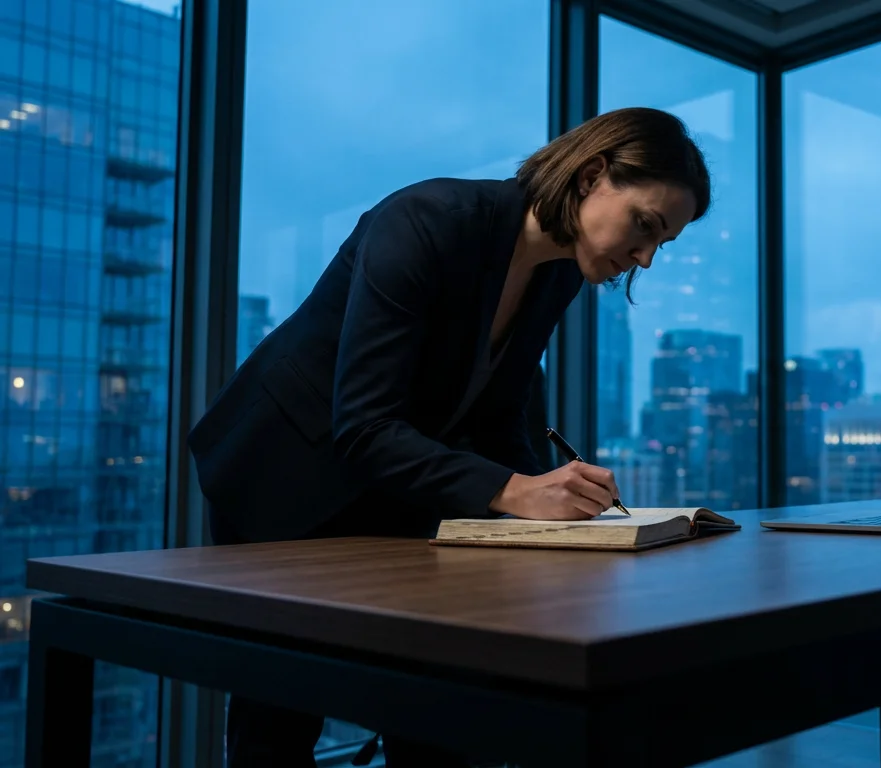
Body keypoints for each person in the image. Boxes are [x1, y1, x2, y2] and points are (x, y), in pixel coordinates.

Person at [187, 106, 710, 767]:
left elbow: (500, 416)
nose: (644, 257)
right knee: (281, 710)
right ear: (591, 175)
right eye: (644, 226)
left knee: (433, 698)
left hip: (391, 479)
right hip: (277, 472)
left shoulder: (555, 274)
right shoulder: (425, 220)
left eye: (661, 244)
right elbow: (366, 426)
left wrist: (558, 511)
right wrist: (518, 491)